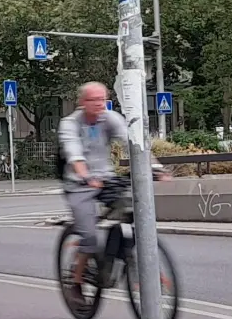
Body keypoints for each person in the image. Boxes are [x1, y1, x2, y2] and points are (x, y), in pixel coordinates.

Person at [57, 82, 163, 276]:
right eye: (93, 100)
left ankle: (115, 255)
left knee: (130, 209)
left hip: (106, 180)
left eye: (102, 99)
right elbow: (74, 153)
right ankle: (76, 279)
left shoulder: (110, 118)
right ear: (82, 102)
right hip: (79, 184)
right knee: (89, 238)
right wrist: (85, 176)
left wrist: (156, 168)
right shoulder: (70, 124)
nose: (99, 104)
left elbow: (133, 143)